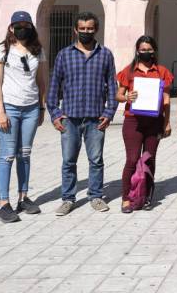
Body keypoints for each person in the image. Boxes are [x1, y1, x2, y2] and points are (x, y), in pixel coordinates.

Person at [46, 11, 118, 216]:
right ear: (75, 30)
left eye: (90, 28)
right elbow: (54, 85)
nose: (86, 32)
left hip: (96, 118)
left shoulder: (105, 54)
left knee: (96, 160)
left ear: (96, 29)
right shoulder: (64, 55)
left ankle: (95, 196)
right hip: (70, 118)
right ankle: (68, 199)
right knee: (69, 161)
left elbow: (112, 85)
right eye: (82, 29)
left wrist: (109, 111)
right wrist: (54, 112)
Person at [0, 11, 48, 223]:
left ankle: (23, 197)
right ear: (11, 28)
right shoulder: (2, 50)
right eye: (19, 24)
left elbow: (42, 81)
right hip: (9, 109)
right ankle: (3, 204)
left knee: (25, 154)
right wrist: (1, 111)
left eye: (26, 24)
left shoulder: (37, 50)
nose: (23, 28)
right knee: (7, 156)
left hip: (31, 109)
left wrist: (42, 108)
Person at [116, 35, 173, 214]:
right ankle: (126, 198)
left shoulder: (162, 71)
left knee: (149, 159)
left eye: (149, 49)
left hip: (154, 121)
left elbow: (166, 100)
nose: (146, 52)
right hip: (133, 120)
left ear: (154, 51)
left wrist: (166, 122)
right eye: (143, 50)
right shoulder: (129, 71)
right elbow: (118, 95)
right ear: (137, 51)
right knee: (132, 160)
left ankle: (146, 195)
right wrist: (127, 97)